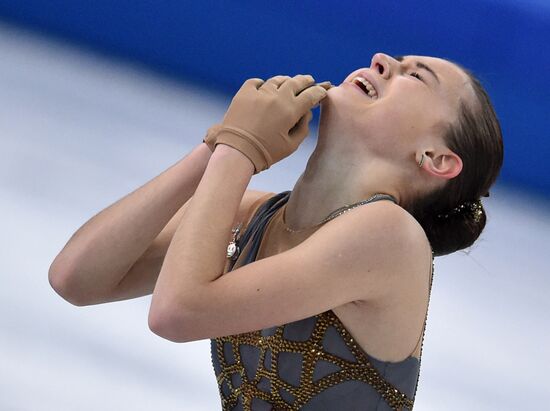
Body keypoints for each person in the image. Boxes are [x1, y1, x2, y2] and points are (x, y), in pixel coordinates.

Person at [49, 52, 504, 410]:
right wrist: (218, 145)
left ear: (436, 159)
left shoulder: (391, 237)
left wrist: (238, 151)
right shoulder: (255, 216)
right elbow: (76, 277)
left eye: (416, 75)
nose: (382, 59)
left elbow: (176, 313)